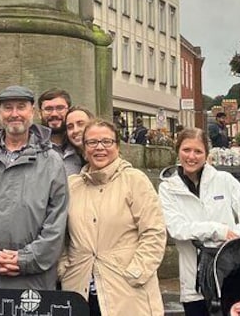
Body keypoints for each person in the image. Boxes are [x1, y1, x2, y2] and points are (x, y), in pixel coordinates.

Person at [0, 85, 68, 315]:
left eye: (21, 107)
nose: (14, 113)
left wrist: (25, 259)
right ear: (0, 113)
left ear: (33, 112)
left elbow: (57, 220)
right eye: (8, 108)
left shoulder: (53, 163)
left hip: (33, 283)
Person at [60, 120, 166, 316]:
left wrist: (137, 272)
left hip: (125, 289)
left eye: (106, 142)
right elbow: (61, 234)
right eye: (92, 142)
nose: (99, 147)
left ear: (117, 146)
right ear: (84, 149)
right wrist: (64, 267)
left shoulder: (135, 180)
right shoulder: (72, 186)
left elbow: (154, 231)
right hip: (79, 289)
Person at [158, 128, 240, 316]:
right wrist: (218, 230)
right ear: (178, 151)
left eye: (198, 151)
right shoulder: (167, 188)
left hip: (230, 276)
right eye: (186, 150)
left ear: (206, 155)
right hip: (194, 283)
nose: (191, 156)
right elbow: (177, 228)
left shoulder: (224, 180)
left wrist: (237, 236)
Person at [39, 88, 82, 176]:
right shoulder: (31, 148)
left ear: (69, 111)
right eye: (48, 109)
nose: (54, 114)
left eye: (60, 108)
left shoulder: (81, 147)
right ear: (40, 114)